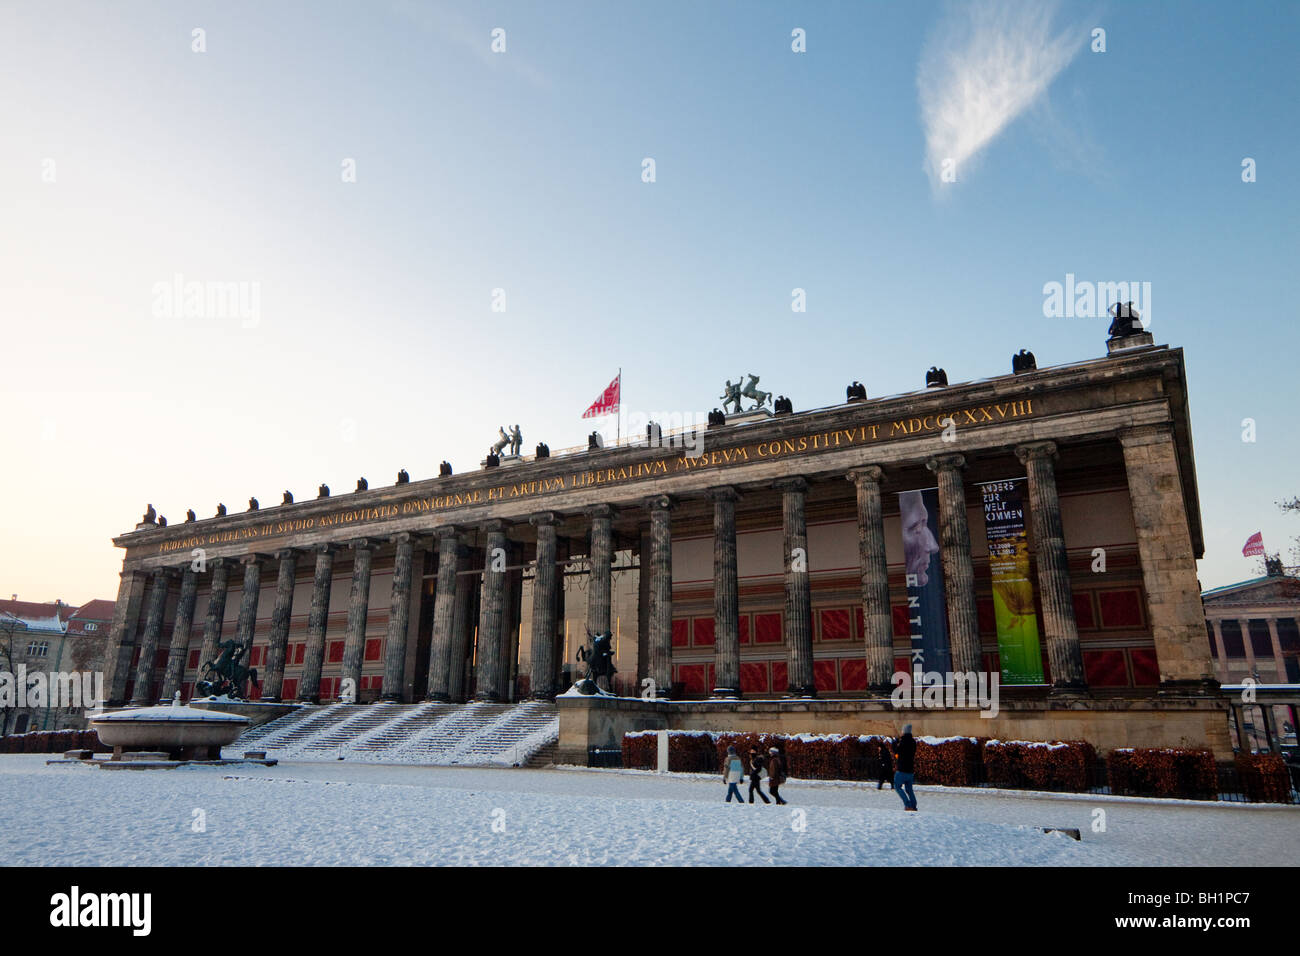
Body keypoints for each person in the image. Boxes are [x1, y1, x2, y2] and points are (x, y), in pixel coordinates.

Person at [893, 724, 918, 811]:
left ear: (904, 732)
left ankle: (908, 805)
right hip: (910, 770)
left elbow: (896, 752)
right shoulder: (913, 742)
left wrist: (895, 743)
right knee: (909, 789)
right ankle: (913, 805)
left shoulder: (902, 742)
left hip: (902, 769)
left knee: (897, 786)